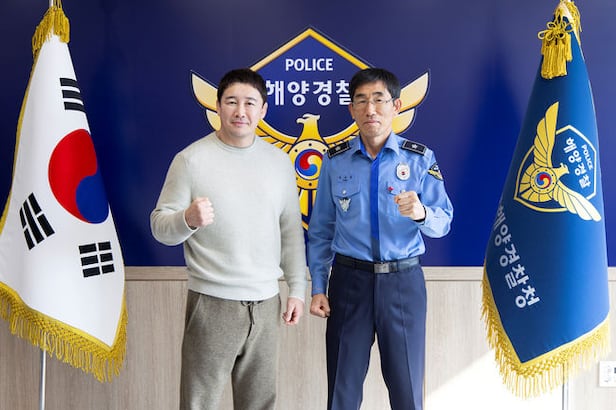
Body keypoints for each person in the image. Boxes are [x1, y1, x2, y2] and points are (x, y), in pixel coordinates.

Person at [150, 68, 307, 410]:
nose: (241, 111)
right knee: (199, 403)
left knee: (260, 404)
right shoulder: (190, 160)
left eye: (250, 103)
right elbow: (160, 227)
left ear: (263, 109)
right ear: (218, 106)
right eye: (232, 101)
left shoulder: (279, 163)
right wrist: (187, 219)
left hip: (266, 303)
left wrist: (296, 289)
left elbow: (290, 231)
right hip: (212, 302)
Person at [307, 68, 453, 410]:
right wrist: (318, 286)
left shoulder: (419, 159)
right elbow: (321, 230)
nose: (370, 109)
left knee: (407, 392)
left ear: (396, 105)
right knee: (341, 392)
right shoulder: (335, 160)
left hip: (403, 283)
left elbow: (443, 222)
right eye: (361, 101)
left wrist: (421, 213)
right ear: (352, 109)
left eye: (378, 100)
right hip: (349, 283)